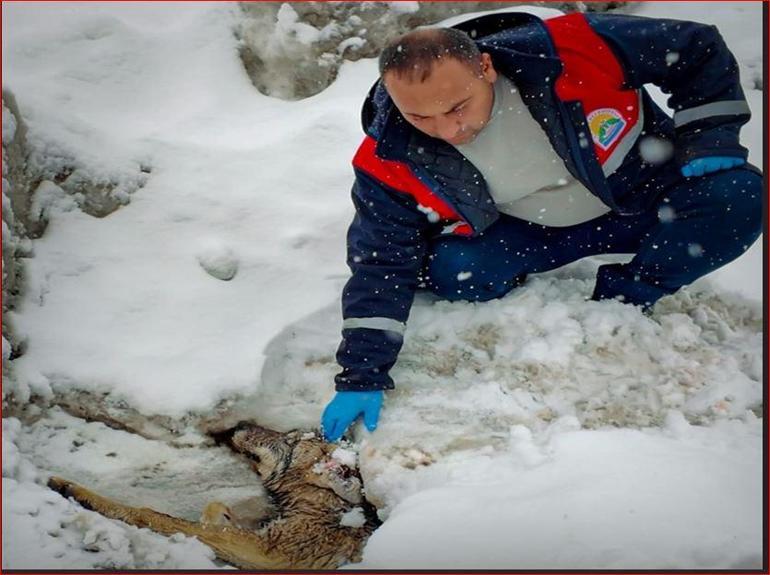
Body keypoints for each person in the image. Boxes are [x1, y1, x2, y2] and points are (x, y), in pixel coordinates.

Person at [320, 10, 763, 442]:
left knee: (740, 198)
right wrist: (362, 373)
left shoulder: (572, 49)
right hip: (536, 231)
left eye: (457, 108)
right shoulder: (388, 153)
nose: (447, 129)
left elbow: (695, 46)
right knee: (452, 271)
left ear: (486, 68)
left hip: (638, 198)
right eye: (421, 117)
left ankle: (632, 292)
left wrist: (711, 136)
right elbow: (380, 258)